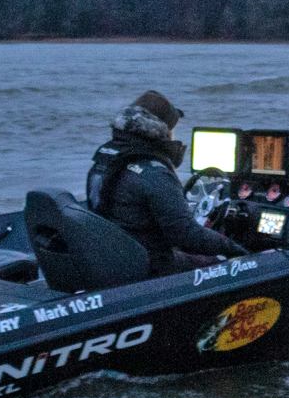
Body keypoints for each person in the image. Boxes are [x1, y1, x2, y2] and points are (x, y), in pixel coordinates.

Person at [86, 91, 246, 275]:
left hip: (116, 257)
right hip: (150, 266)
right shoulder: (154, 172)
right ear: (161, 130)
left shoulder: (106, 159)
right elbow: (185, 234)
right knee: (224, 263)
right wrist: (230, 245)